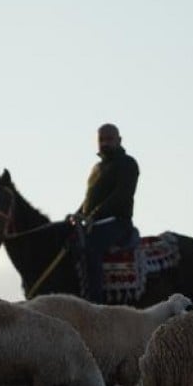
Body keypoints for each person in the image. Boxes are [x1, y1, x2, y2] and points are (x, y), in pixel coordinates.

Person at [70, 123, 139, 303]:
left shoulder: (127, 163)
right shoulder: (97, 168)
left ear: (119, 140)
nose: (105, 143)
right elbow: (89, 199)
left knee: (91, 248)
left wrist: (94, 214)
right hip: (94, 222)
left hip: (117, 223)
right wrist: (78, 214)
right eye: (101, 139)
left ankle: (95, 303)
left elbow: (121, 195)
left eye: (109, 139)